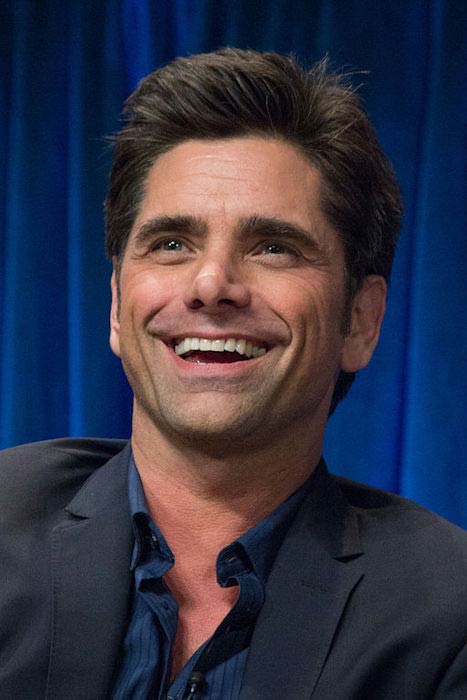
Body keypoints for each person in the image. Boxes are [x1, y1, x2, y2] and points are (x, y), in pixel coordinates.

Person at [0, 48, 466, 700]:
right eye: (171, 244)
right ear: (115, 306)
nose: (212, 283)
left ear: (358, 321)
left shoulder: (447, 614)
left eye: (273, 247)